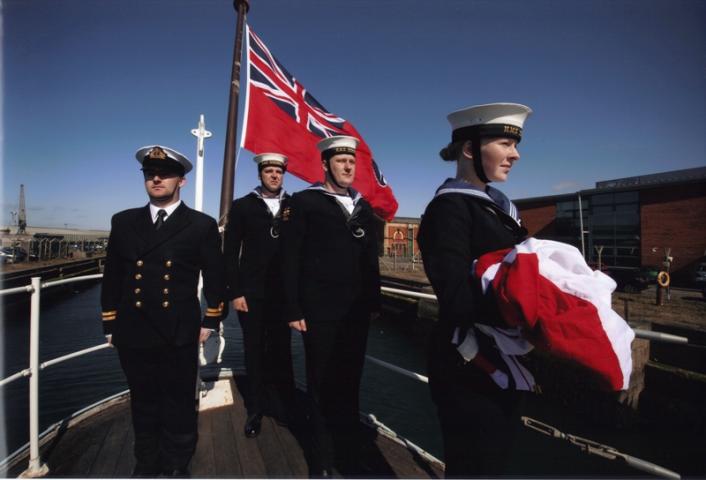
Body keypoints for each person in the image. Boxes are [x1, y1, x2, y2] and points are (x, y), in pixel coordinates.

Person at [417, 103, 534, 477]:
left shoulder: (500, 209)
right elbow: (456, 297)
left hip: (503, 362)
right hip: (468, 368)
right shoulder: (449, 209)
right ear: (470, 149)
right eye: (504, 143)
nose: (515, 153)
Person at [101, 145, 226, 478]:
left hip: (179, 330)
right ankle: (146, 463)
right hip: (133, 330)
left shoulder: (200, 225)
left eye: (165, 174)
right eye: (149, 174)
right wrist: (109, 323)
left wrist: (211, 318)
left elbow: (215, 276)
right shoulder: (124, 221)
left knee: (178, 404)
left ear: (181, 181)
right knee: (142, 401)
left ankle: (175, 465)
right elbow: (113, 275)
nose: (156, 178)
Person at [280, 135, 381, 476]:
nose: (348, 166)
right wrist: (293, 308)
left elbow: (371, 260)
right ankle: (321, 461)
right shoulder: (306, 202)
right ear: (325, 164)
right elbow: (290, 257)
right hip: (319, 312)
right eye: (340, 161)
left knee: (350, 382)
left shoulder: (364, 208)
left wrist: (373, 302)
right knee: (322, 384)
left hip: (355, 313)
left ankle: (347, 453)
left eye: (351, 161)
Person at [224, 152, 295, 438]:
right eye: (269, 171)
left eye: (279, 171)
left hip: (283, 295)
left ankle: (283, 404)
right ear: (260, 174)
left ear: (283, 174)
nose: (274, 175)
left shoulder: (295, 206)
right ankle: (255, 409)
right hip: (251, 294)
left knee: (281, 350)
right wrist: (235, 292)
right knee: (254, 350)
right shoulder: (243, 206)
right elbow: (229, 252)